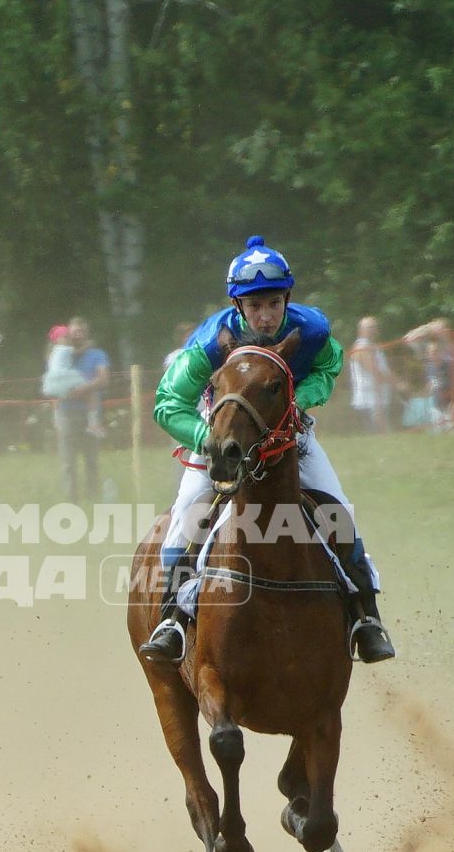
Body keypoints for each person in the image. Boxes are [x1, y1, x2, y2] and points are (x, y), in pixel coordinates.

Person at [138, 236, 396, 665]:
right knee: (187, 512)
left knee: (338, 510)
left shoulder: (311, 330)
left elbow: (330, 368)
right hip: (224, 436)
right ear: (237, 306)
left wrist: (297, 403)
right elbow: (167, 404)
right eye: (255, 305)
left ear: (287, 299)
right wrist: (209, 440)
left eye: (274, 303)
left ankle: (366, 616)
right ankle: (172, 620)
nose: (266, 315)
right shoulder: (207, 345)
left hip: (285, 431)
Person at [54, 316, 110, 502]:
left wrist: (84, 388)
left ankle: (92, 497)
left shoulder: (97, 354)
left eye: (81, 331)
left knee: (91, 459)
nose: (77, 334)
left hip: (89, 413)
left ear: (86, 333)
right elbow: (53, 379)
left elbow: (103, 378)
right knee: (68, 460)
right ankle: (71, 499)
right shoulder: (61, 354)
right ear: (68, 333)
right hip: (65, 412)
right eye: (74, 331)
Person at [347, 315, 391, 433]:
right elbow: (373, 370)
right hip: (369, 398)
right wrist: (396, 382)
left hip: (379, 396)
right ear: (361, 330)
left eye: (375, 327)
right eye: (370, 327)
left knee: (381, 433)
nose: (373, 330)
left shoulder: (373, 346)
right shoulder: (361, 347)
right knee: (374, 433)